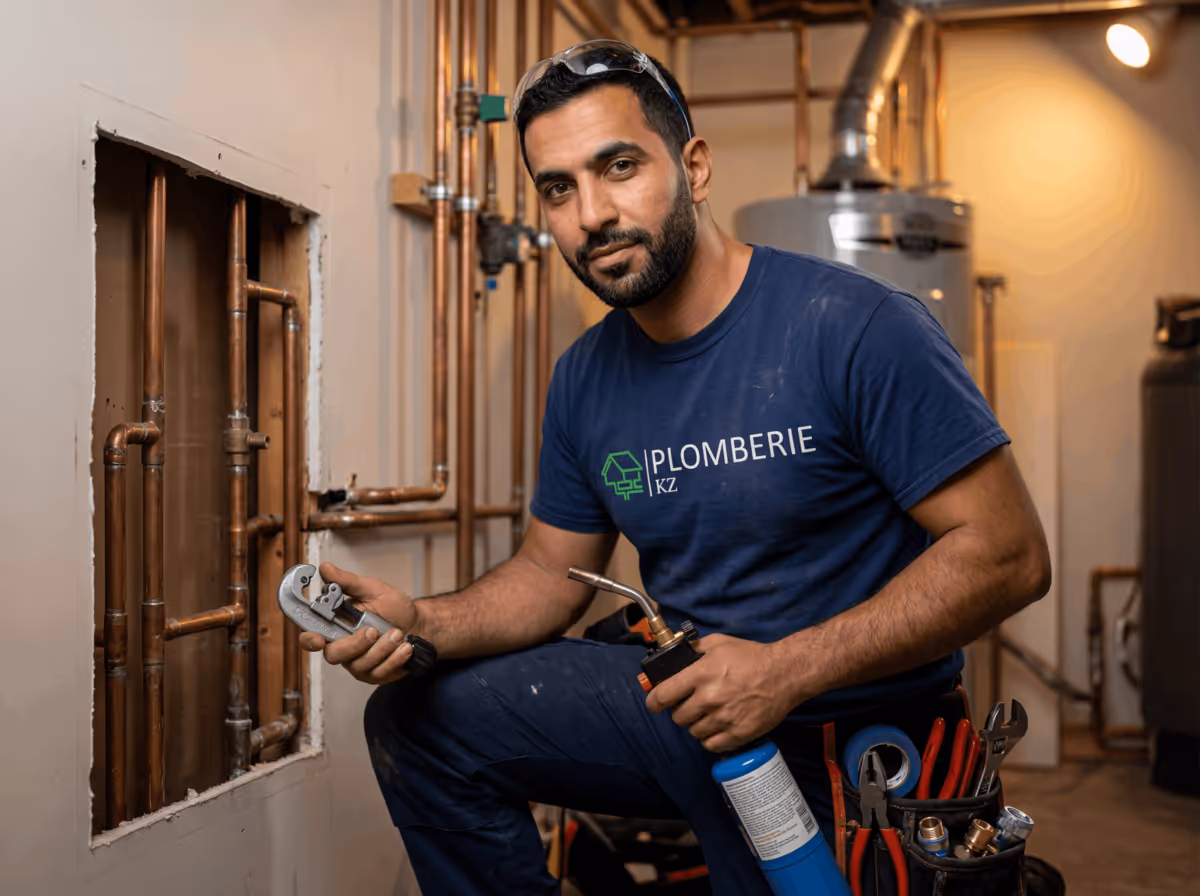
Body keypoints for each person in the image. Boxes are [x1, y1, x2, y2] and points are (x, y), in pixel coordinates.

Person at [300, 40, 1051, 895]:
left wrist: (787, 670)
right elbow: (552, 572)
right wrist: (421, 619)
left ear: (693, 167)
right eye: (558, 188)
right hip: (690, 712)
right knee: (423, 720)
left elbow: (1009, 554)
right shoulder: (586, 374)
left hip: (856, 734)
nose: (592, 214)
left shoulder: (855, 328)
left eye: (618, 166)